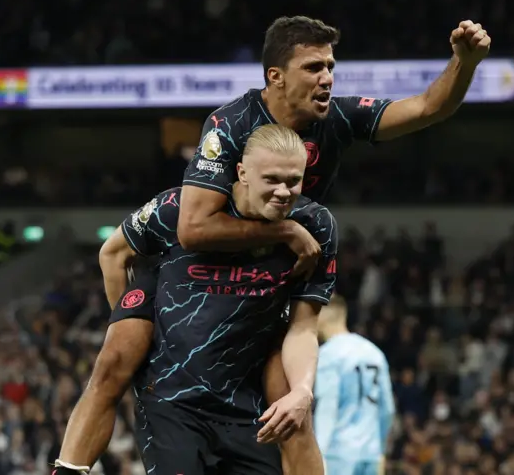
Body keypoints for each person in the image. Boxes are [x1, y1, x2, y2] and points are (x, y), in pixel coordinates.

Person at [55, 15, 491, 475]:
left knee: (290, 408)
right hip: (193, 264)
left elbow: (427, 107)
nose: (327, 77)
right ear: (276, 77)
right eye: (313, 67)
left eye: (330, 66)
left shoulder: (337, 119)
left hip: (267, 279)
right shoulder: (230, 124)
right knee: (115, 360)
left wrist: (463, 62)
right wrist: (284, 231)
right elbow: (194, 229)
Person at [55, 125, 338, 475]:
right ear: (242, 173)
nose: (284, 191)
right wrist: (127, 326)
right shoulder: (178, 208)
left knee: (297, 410)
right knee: (110, 365)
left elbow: (303, 328)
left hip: (245, 401)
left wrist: (303, 391)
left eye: (293, 181)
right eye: (272, 180)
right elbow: (112, 254)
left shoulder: (316, 225)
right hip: (172, 400)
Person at [313, 294, 395, 475]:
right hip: (371, 454)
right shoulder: (374, 352)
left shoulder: (328, 355)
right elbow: (387, 409)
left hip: (338, 453)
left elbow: (328, 408)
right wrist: (380, 450)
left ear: (323, 314)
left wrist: (319, 456)